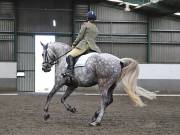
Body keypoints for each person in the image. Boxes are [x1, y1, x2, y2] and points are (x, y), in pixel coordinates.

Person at [65, 11, 101, 78]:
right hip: (93, 47)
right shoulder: (96, 28)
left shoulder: (85, 25)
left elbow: (80, 36)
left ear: (87, 18)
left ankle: (70, 72)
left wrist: (74, 44)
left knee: (69, 55)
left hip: (84, 45)